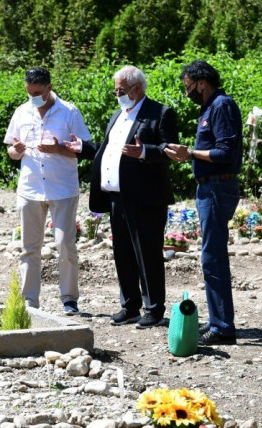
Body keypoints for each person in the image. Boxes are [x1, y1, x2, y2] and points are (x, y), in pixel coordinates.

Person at [65, 66, 178, 328]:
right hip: (117, 197)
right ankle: (130, 306)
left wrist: (143, 152)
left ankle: (154, 310)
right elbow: (109, 150)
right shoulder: (118, 114)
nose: (117, 94)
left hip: (146, 198)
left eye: (121, 90)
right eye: (116, 90)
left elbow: (170, 150)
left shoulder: (159, 113)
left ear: (137, 89)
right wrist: (82, 147)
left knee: (147, 254)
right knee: (123, 254)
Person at [165, 60, 243, 346]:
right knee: (211, 256)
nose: (188, 92)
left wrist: (191, 154)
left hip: (217, 186)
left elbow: (224, 152)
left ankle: (223, 327)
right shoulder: (210, 108)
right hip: (211, 187)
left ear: (201, 82)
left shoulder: (222, 105)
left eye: (188, 86)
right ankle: (218, 322)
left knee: (213, 257)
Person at [4, 67, 92, 315]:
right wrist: (17, 150)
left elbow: (84, 149)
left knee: (65, 244)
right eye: (29, 92)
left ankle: (69, 299)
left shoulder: (69, 112)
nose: (33, 97)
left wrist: (58, 149)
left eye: (38, 93)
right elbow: (11, 151)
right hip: (30, 188)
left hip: (62, 187)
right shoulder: (22, 112)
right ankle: (29, 302)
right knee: (29, 247)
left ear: (49, 87)